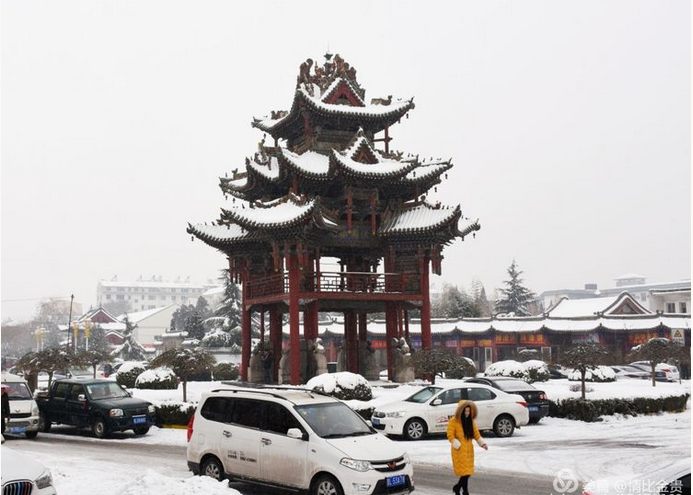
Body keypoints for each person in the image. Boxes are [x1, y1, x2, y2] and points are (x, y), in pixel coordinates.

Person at [446, 400, 488, 495]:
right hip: (459, 450)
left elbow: (476, 434)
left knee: (468, 472)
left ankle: (458, 488)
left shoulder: (471, 421)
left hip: (469, 450)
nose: (467, 413)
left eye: (469, 411)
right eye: (465, 411)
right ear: (460, 411)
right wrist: (456, 443)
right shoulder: (454, 421)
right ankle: (465, 491)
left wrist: (483, 444)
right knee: (465, 472)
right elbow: (450, 434)